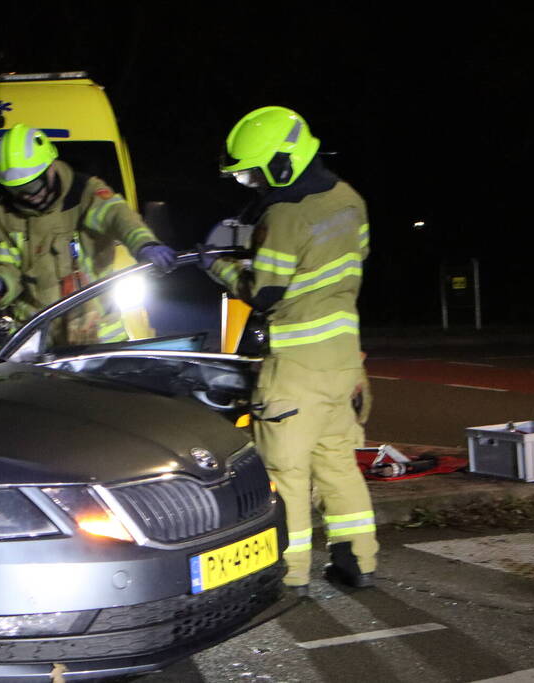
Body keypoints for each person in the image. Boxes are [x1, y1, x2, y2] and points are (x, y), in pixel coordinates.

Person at [200, 106, 377, 595]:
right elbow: (348, 261)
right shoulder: (350, 200)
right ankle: (358, 563)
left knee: (284, 473)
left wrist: (218, 266)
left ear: (283, 163)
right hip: (344, 358)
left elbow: (263, 292)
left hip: (295, 364)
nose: (252, 183)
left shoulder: (284, 215)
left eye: (254, 173)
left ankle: (288, 573)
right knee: (338, 464)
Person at [0, 123, 176, 344]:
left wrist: (145, 245)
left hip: (98, 334)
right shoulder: (4, 213)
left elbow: (119, 217)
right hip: (38, 337)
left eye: (32, 186)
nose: (27, 196)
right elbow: (7, 264)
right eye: (16, 189)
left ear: (50, 168)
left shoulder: (86, 194)